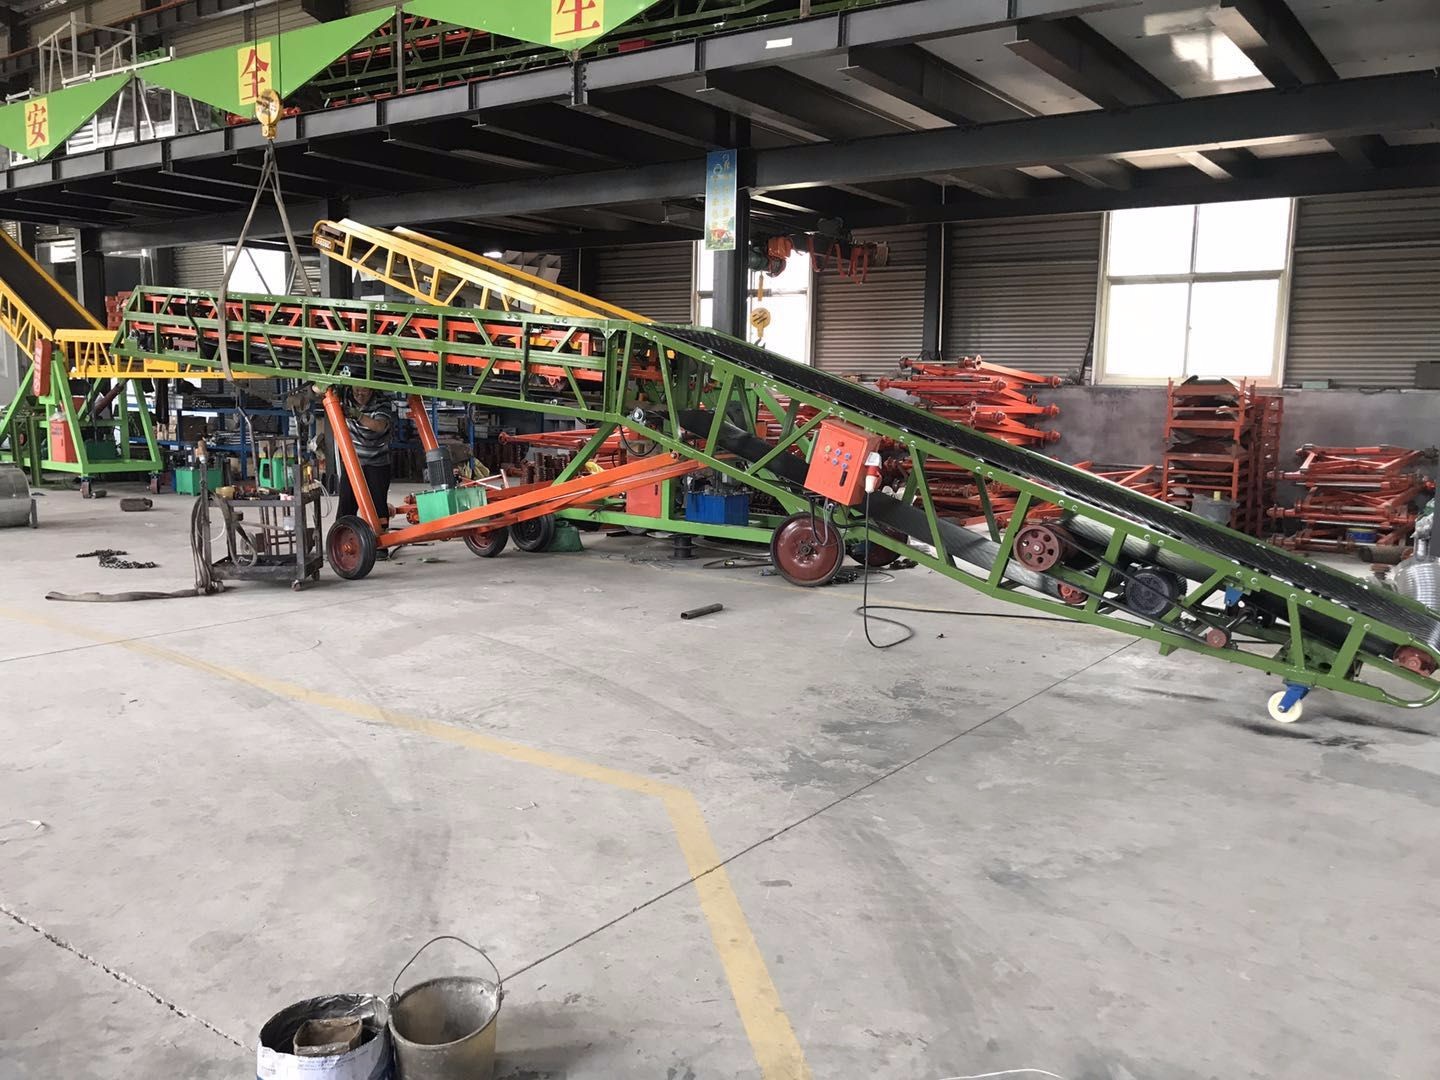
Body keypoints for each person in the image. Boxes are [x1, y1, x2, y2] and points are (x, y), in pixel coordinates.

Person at [336, 386, 396, 528]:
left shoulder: (381, 401)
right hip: (353, 461)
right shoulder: (345, 393)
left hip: (377, 462)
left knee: (378, 509)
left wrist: (358, 415)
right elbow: (319, 391)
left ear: (372, 390)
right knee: (346, 505)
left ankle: (381, 537)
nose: (359, 395)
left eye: (364, 391)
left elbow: (379, 426)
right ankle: (342, 534)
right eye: (356, 390)